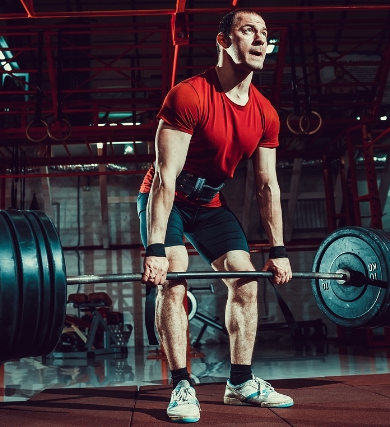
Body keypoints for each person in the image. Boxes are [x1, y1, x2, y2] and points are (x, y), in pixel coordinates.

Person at [136, 9, 293, 423]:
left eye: (264, 33)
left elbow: (267, 185)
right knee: (174, 276)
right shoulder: (189, 94)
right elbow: (166, 177)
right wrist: (154, 249)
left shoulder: (265, 113)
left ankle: (240, 383)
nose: (260, 39)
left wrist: (278, 250)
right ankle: (182, 385)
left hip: (210, 206)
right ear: (223, 41)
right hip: (166, 199)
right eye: (248, 31)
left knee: (246, 278)